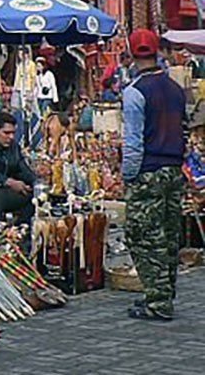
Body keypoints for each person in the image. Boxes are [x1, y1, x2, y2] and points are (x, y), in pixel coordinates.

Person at [122, 28, 187, 321]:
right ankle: (165, 293)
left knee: (145, 236)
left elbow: (133, 142)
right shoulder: (175, 89)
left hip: (148, 170)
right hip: (173, 170)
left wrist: (128, 176)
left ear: (133, 54)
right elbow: (183, 129)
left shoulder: (135, 91)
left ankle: (157, 301)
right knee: (170, 234)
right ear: (158, 51)